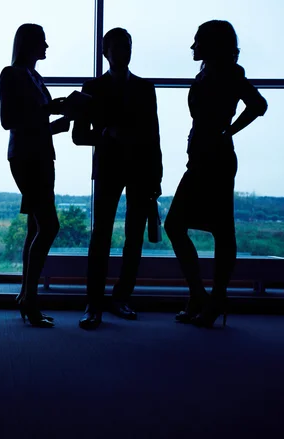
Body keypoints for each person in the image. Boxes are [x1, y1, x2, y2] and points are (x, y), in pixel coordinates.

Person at [165, 20, 267, 328]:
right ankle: (205, 297)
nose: (192, 47)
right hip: (203, 158)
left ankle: (210, 297)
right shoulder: (208, 72)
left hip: (216, 159)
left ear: (210, 44)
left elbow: (258, 105)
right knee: (190, 226)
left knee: (201, 227)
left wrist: (228, 130)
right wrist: (226, 131)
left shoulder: (228, 74)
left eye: (197, 41)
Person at [72, 28, 162, 330]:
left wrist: (156, 174)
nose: (126, 51)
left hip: (135, 169)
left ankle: (114, 300)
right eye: (121, 46)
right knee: (103, 236)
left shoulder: (143, 88)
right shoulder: (93, 87)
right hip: (113, 167)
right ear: (105, 52)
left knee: (130, 236)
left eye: (128, 46)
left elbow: (154, 135)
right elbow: (79, 135)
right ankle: (97, 303)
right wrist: (108, 133)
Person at [0, 23, 70, 328]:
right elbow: (8, 121)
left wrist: (63, 117)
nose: (47, 47)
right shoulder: (12, 74)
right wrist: (48, 111)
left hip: (40, 154)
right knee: (49, 226)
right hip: (28, 157)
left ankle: (25, 295)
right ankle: (30, 298)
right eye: (42, 41)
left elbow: (36, 124)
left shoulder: (34, 77)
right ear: (28, 44)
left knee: (35, 228)